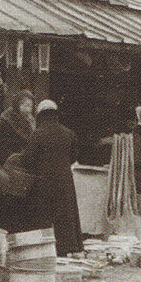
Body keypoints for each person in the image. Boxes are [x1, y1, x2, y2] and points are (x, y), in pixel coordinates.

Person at [19, 99, 83, 255]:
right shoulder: (69, 133)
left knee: (43, 216)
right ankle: (67, 248)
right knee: (66, 215)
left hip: (43, 182)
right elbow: (73, 157)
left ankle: (44, 250)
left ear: (40, 115)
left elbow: (27, 160)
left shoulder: (37, 134)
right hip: (64, 181)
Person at [0, 88, 35, 233]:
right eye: (24, 105)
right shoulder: (6, 120)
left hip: (23, 170)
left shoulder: (31, 122)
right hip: (8, 166)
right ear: (17, 105)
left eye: (30, 105)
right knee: (5, 202)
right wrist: (11, 159)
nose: (27, 109)